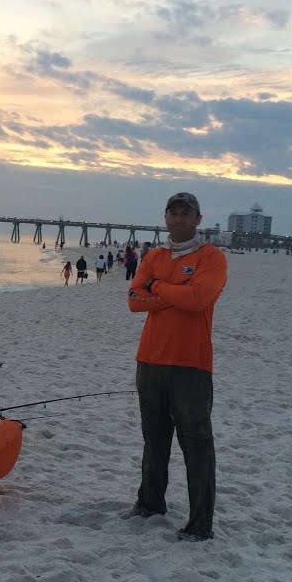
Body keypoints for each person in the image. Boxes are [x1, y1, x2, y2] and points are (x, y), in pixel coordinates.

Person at [121, 192, 228, 543]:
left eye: (186, 213)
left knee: (196, 443)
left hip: (191, 364)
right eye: (173, 213)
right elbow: (135, 301)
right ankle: (150, 503)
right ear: (165, 217)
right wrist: (176, 292)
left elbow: (199, 300)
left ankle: (200, 524)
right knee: (154, 438)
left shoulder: (212, 257)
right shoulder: (155, 255)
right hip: (149, 359)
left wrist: (159, 288)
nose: (179, 219)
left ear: (198, 218)